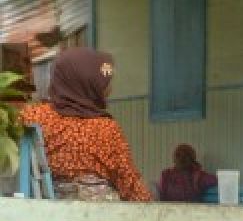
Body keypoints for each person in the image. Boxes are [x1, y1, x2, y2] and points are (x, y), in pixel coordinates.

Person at [19, 48, 151, 201]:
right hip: (96, 216)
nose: (109, 89)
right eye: (101, 83)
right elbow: (128, 181)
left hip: (45, 206)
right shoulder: (105, 128)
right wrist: (152, 209)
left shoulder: (34, 116)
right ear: (86, 83)